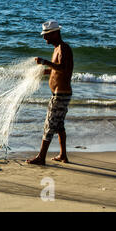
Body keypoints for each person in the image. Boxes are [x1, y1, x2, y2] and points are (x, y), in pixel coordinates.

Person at [27, 20, 73, 165]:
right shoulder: (57, 48)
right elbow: (57, 70)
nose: (44, 38)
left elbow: (64, 69)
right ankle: (63, 155)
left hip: (61, 94)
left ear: (55, 33)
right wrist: (44, 71)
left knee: (49, 124)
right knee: (59, 125)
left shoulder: (63, 48)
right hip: (60, 94)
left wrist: (45, 62)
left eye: (47, 35)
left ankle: (41, 157)